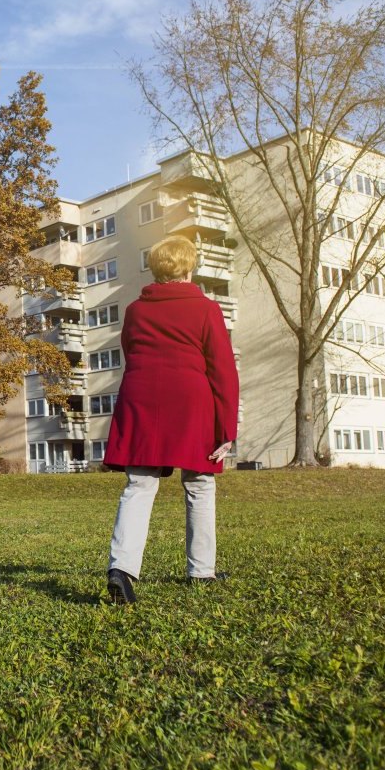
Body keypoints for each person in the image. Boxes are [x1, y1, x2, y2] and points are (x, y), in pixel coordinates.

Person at [102, 234, 239, 605]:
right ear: (189, 267)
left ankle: (122, 569)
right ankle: (201, 571)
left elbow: (130, 351)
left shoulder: (135, 310)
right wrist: (227, 429)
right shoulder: (207, 309)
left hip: (142, 398)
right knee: (199, 486)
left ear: (157, 268)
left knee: (139, 486)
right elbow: (223, 371)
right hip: (192, 403)